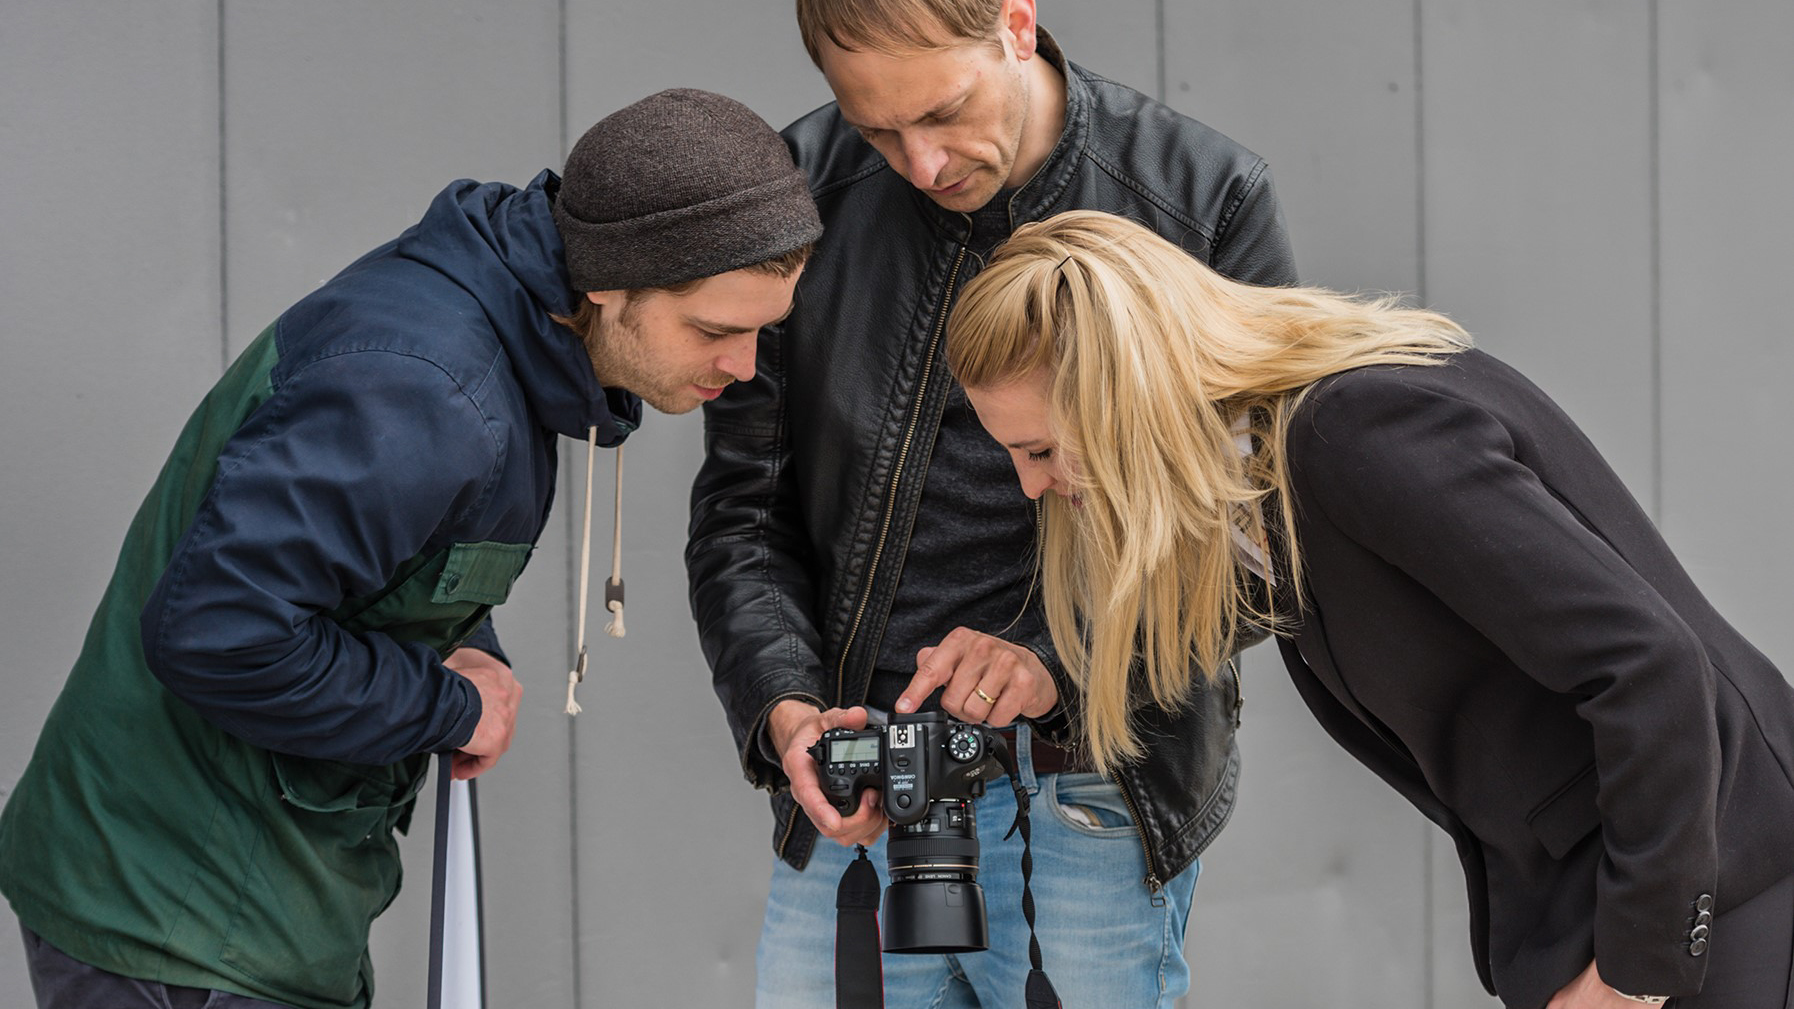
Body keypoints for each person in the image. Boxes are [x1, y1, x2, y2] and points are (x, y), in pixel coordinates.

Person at [0, 88, 821, 1009]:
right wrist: (444, 703)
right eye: (715, 330)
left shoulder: (508, 341)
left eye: (761, 331)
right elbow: (215, 628)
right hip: (174, 918)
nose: (745, 366)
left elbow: (380, 554)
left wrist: (469, 646)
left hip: (247, 898)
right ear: (608, 281)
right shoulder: (428, 390)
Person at [944, 208, 1794, 1009]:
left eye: (1043, 449)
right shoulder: (1262, 482)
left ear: (1127, 395)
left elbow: (1652, 666)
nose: (1033, 486)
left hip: (1710, 884)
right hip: (1605, 898)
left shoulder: (1354, 430)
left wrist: (1632, 971)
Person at [685, 0, 1295, 1004]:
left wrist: (1058, 665)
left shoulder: (1202, 199)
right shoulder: (803, 193)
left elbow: (1260, 551)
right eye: (878, 131)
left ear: (1017, 21)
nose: (922, 164)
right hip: (866, 791)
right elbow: (742, 518)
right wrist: (785, 715)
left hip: (1096, 781)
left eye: (944, 111)